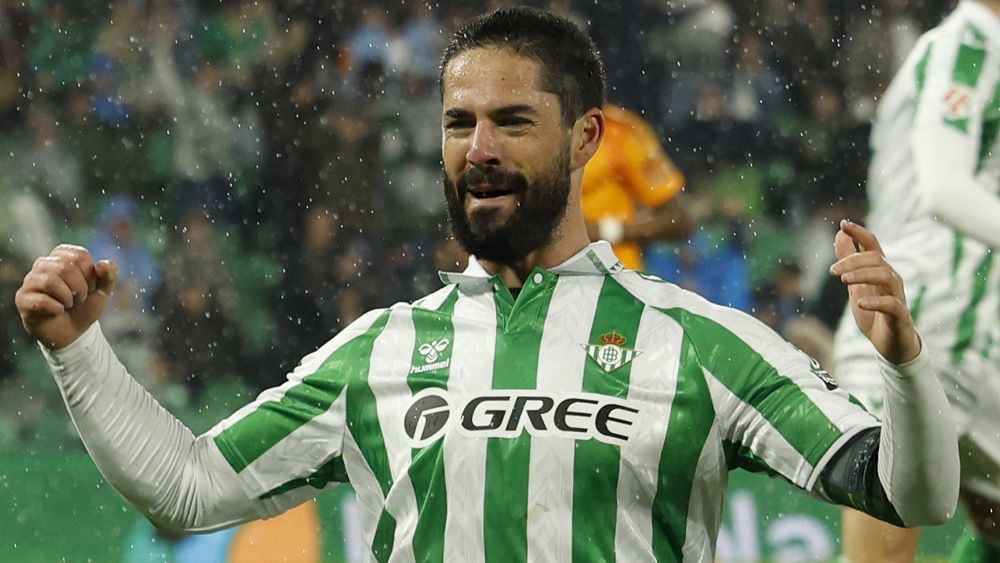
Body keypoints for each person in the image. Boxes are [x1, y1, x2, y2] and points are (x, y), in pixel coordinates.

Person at [15, 7, 960, 561]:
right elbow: (184, 491)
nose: (480, 150)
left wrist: (908, 369)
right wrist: (77, 349)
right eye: (459, 123)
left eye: (512, 121)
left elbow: (909, 494)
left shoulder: (701, 342)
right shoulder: (379, 350)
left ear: (586, 138)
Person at [832, 2, 1000, 561]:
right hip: (919, 321)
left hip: (980, 330)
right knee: (880, 554)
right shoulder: (967, 43)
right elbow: (944, 189)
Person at [581, 102, 691, 271]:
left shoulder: (619, 132)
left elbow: (677, 218)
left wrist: (607, 231)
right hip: (542, 280)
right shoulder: (536, 129)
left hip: (612, 277)